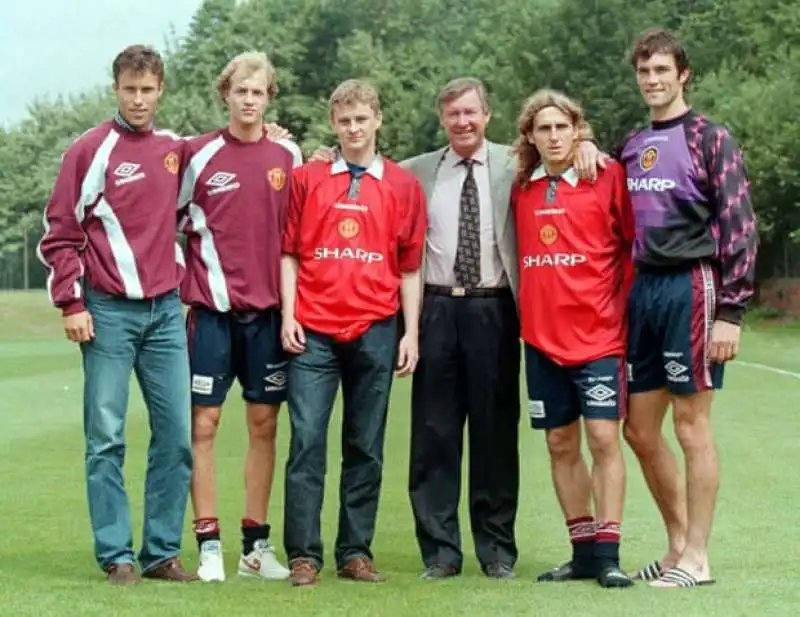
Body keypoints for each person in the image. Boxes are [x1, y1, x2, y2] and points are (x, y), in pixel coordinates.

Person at [401, 77, 601, 581]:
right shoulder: (416, 172)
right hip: (437, 309)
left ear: (487, 115)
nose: (463, 122)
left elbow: (562, 148)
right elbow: (364, 168)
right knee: (434, 433)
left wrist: (589, 143)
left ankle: (496, 549)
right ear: (441, 119)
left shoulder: (517, 165)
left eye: (471, 112)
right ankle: (441, 551)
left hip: (495, 310)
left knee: (494, 431)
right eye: (453, 114)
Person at [37, 45, 197, 584]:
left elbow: (221, 181)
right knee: (105, 437)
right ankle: (117, 556)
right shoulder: (89, 150)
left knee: (176, 435)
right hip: (106, 313)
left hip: (166, 315)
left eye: (147, 90)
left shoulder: (177, 149)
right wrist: (72, 302)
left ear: (161, 90)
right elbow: (61, 231)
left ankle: (161, 553)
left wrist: (274, 140)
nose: (138, 99)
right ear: (116, 89)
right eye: (129, 89)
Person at [613, 28, 758, 588]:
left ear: (683, 73)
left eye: (661, 71)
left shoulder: (709, 138)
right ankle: (675, 545)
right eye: (644, 72)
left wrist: (732, 310)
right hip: (644, 290)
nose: (652, 80)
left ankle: (698, 557)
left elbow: (740, 227)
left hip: (692, 287)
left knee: (692, 425)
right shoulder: (630, 144)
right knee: (639, 431)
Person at [280, 79, 427, 587]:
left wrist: (411, 332)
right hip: (314, 332)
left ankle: (355, 551)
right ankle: (303, 555)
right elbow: (290, 253)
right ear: (333, 124)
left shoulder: (403, 186)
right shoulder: (308, 178)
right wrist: (288, 314)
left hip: (377, 328)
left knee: (365, 445)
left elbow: (409, 266)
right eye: (344, 121)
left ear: (378, 120)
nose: (353, 128)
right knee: (306, 442)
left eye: (362, 119)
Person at [178, 51, 303, 583]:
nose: (249, 100)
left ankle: (256, 546)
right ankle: (208, 543)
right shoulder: (195, 155)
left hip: (269, 317)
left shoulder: (288, 156)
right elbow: (164, 220)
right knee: (203, 424)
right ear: (225, 94)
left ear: (268, 97)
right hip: (210, 314)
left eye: (258, 92)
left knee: (264, 424)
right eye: (240, 91)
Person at [511, 89, 635, 588]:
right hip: (541, 340)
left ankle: (609, 553)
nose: (554, 136)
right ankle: (582, 551)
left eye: (563, 126)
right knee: (561, 443)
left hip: (600, 337)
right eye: (544, 128)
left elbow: (632, 243)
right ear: (531, 137)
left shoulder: (606, 176)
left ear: (577, 129)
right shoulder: (520, 186)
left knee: (604, 437)